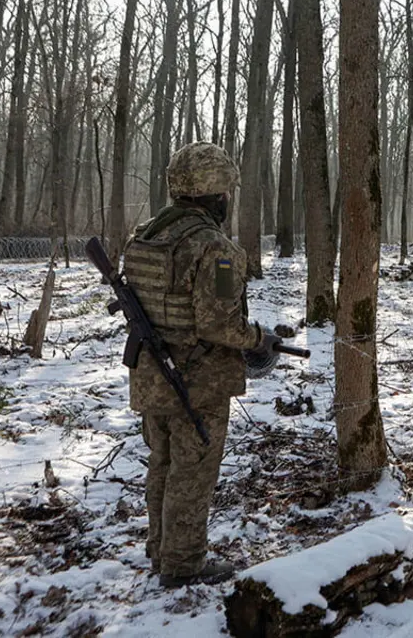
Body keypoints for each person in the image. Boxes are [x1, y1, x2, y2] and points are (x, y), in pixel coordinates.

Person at [122, 142, 281, 587]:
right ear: (216, 194)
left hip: (152, 377)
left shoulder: (145, 237)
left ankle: (160, 550)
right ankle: (183, 563)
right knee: (191, 475)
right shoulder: (218, 250)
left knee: (163, 464)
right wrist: (259, 339)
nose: (228, 199)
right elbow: (220, 326)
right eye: (226, 191)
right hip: (199, 383)